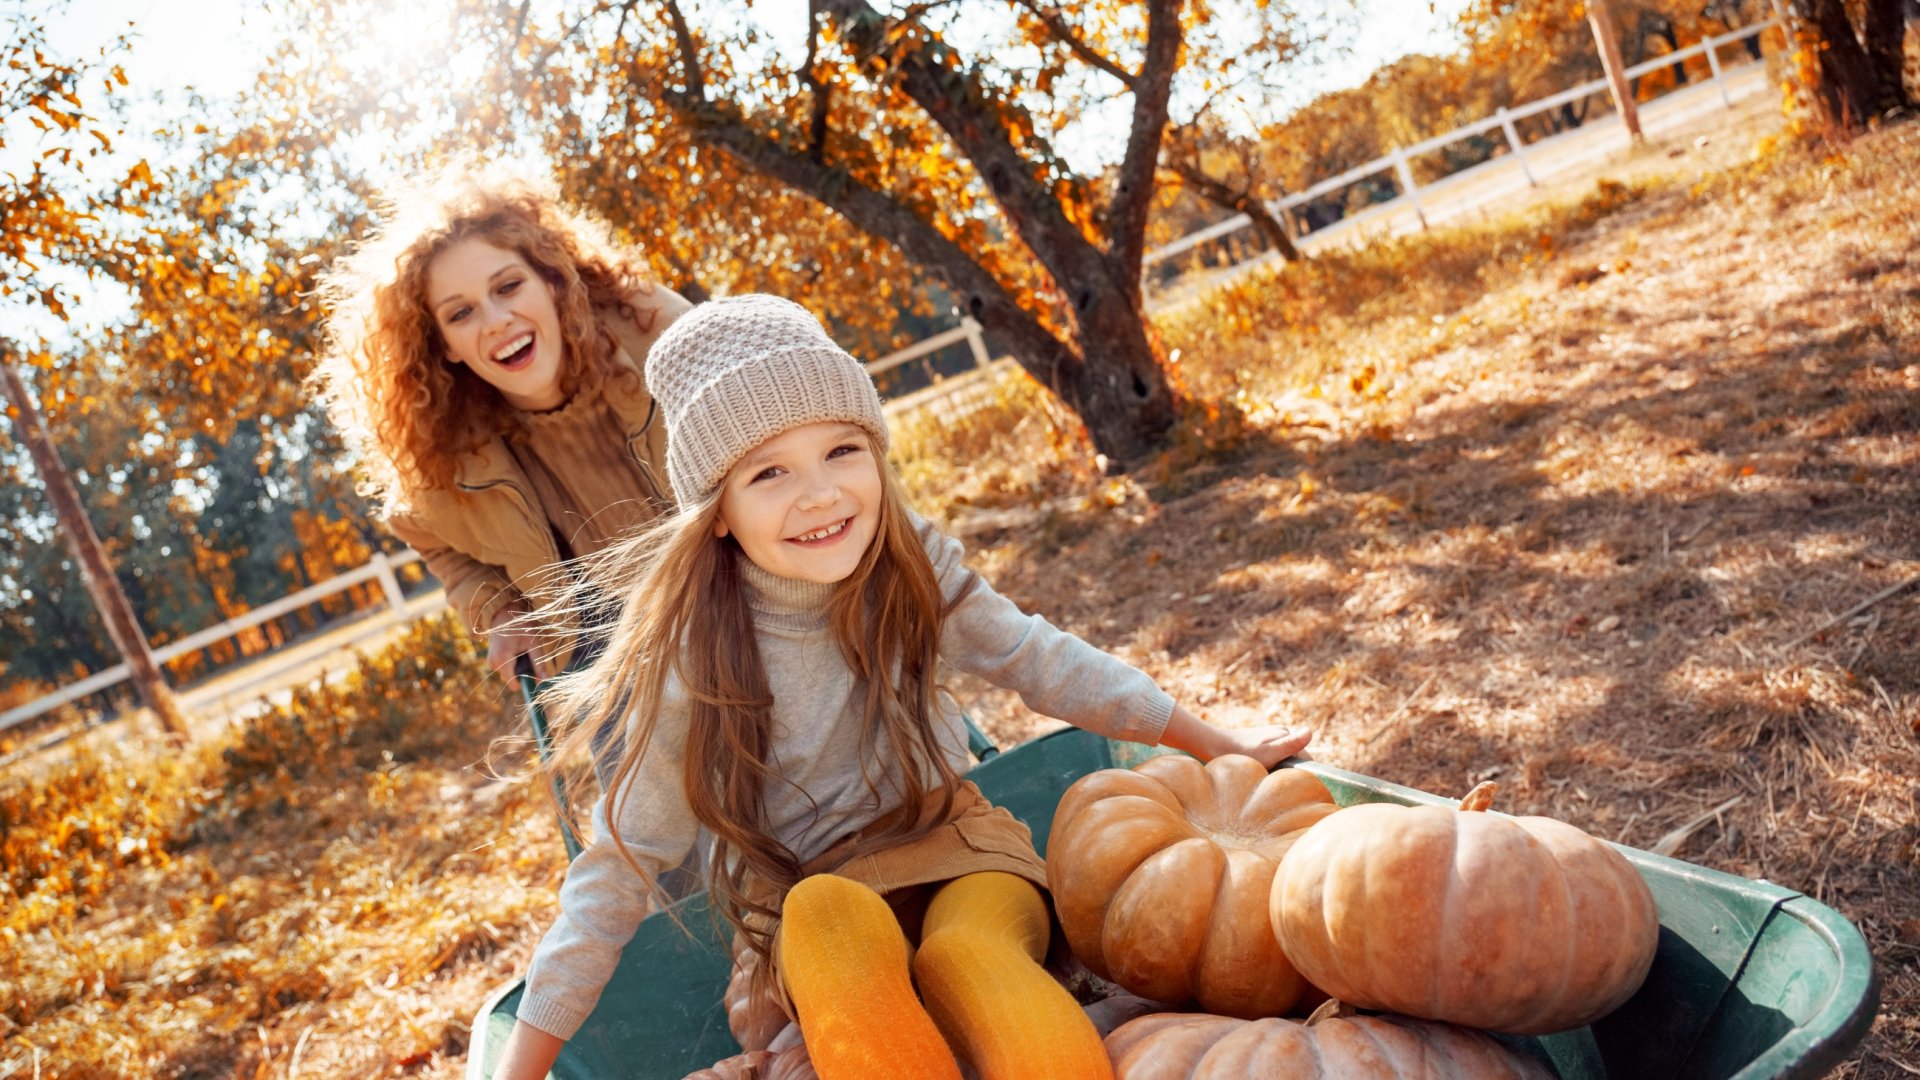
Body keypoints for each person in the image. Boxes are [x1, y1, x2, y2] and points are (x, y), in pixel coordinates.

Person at [490, 295, 1314, 1080]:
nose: (820, 494)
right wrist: (522, 1068)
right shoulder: (690, 665)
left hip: (951, 846)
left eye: (841, 450)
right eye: (768, 472)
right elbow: (617, 869)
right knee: (823, 916)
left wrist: (1214, 743)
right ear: (716, 512)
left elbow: (1037, 658)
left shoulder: (907, 560)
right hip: (804, 895)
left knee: (968, 953)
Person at [311, 167, 693, 679]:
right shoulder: (448, 452)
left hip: (737, 577)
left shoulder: (661, 336)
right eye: (461, 313)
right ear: (444, 344)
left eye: (508, 286)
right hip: (609, 649)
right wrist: (498, 608)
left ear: (551, 281)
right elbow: (435, 541)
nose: (496, 321)